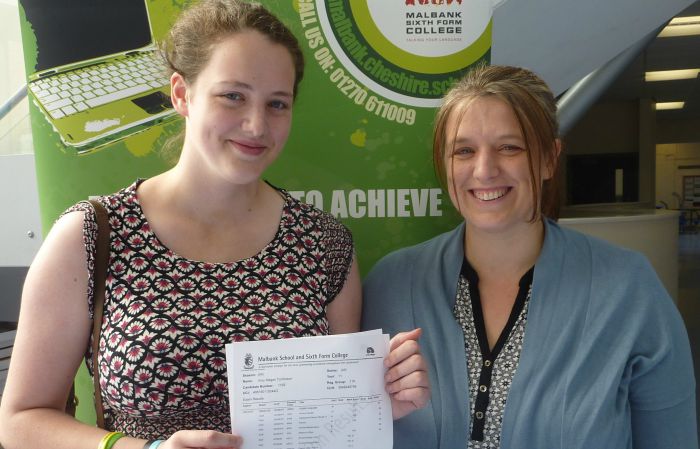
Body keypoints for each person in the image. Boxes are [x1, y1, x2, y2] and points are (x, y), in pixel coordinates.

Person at [0, 1, 429, 448]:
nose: (256, 124)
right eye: (233, 96)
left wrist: (377, 403)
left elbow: (338, 420)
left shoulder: (323, 244)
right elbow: (19, 421)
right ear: (182, 94)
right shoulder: (92, 234)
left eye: (277, 103)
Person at [362, 64, 697, 449]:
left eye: (510, 147)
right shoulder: (392, 284)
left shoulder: (628, 290)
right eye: (464, 151)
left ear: (549, 158)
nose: (484, 170)